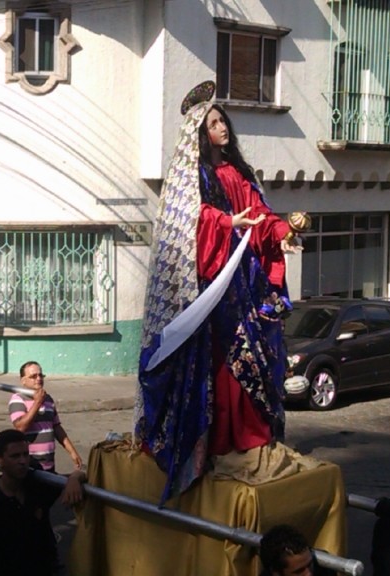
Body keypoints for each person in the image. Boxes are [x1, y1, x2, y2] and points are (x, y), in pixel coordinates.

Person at [135, 80, 300, 500]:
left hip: (242, 280)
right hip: (208, 285)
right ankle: (210, 441)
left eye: (222, 120)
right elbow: (190, 222)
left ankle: (249, 436)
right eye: (213, 123)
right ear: (199, 133)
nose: (222, 127)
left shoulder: (237, 172)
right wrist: (227, 223)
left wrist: (280, 233)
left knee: (251, 357)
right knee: (217, 361)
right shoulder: (191, 180)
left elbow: (260, 214)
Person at [0, 429, 86, 576]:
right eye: (15, 456)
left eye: (26, 454)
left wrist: (75, 478)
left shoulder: (37, 486)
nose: (23, 461)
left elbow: (79, 475)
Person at [8, 361, 83, 473]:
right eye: (33, 376)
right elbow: (20, 427)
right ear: (23, 380)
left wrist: (72, 452)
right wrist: (37, 402)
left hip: (49, 463)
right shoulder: (17, 399)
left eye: (40, 375)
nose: (38, 379)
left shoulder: (48, 399)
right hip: (29, 464)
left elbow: (57, 427)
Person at [259, 524, 336, 576]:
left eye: (310, 565)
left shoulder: (324, 569)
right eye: (299, 571)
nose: (309, 574)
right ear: (276, 574)